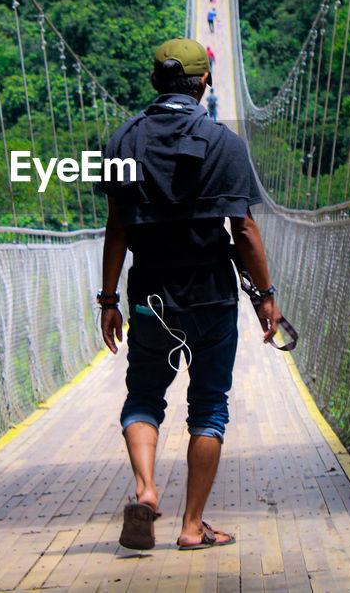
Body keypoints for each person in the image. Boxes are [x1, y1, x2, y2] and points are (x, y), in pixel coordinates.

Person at [97, 38, 281, 552]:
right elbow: (242, 229)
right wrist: (265, 294)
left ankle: (147, 490)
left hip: (149, 292)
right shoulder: (225, 144)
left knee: (142, 398)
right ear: (205, 83)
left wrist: (108, 301)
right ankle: (192, 526)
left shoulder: (121, 142)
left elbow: (117, 228)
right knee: (208, 408)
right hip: (210, 295)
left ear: (155, 83)